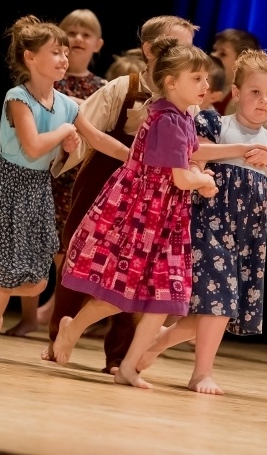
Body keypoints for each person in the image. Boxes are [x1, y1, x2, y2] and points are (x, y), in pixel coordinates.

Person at [0, 15, 130, 361]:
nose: (64, 58)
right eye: (55, 52)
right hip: (8, 182)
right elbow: (32, 147)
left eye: (65, 52)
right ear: (31, 58)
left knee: (38, 281)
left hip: (36, 187)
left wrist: (135, 157)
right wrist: (63, 133)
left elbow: (98, 140)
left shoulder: (65, 104)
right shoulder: (17, 98)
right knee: (5, 272)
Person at [51, 38, 220, 389]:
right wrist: (202, 179)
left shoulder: (182, 116)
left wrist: (206, 169)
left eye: (206, 79)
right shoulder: (168, 120)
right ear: (172, 82)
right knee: (120, 293)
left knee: (160, 299)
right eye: (197, 78)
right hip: (145, 216)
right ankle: (74, 328)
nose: (206, 86)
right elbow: (179, 175)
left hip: (166, 218)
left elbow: (188, 161)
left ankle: (128, 366)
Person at [137, 49, 267, 395]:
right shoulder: (216, 124)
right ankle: (201, 373)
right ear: (237, 91)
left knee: (218, 309)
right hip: (209, 224)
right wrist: (237, 152)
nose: (262, 101)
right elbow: (192, 152)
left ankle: (156, 343)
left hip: (247, 235)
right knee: (218, 303)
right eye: (255, 92)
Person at [5, 9, 109, 337]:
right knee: (34, 247)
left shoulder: (102, 87)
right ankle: (29, 315)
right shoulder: (42, 82)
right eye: (70, 33)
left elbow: (99, 127)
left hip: (79, 178)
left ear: (98, 44)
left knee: (67, 252)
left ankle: (58, 318)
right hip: (44, 174)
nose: (77, 40)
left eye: (85, 34)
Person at [209, 28, 267, 134]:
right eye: (214, 50)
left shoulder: (244, 98)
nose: (213, 56)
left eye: (223, 54)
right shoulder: (204, 86)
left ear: (241, 62)